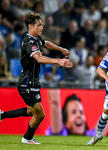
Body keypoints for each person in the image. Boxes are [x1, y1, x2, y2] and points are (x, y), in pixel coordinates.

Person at [0, 12, 73, 144]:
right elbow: (38, 58)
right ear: (30, 26)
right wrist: (58, 61)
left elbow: (46, 43)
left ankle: (2, 115)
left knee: (33, 111)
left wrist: (60, 49)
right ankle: (27, 138)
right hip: (27, 83)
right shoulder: (29, 42)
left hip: (32, 82)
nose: (42, 27)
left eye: (42, 25)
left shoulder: (37, 39)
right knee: (40, 114)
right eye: (39, 25)